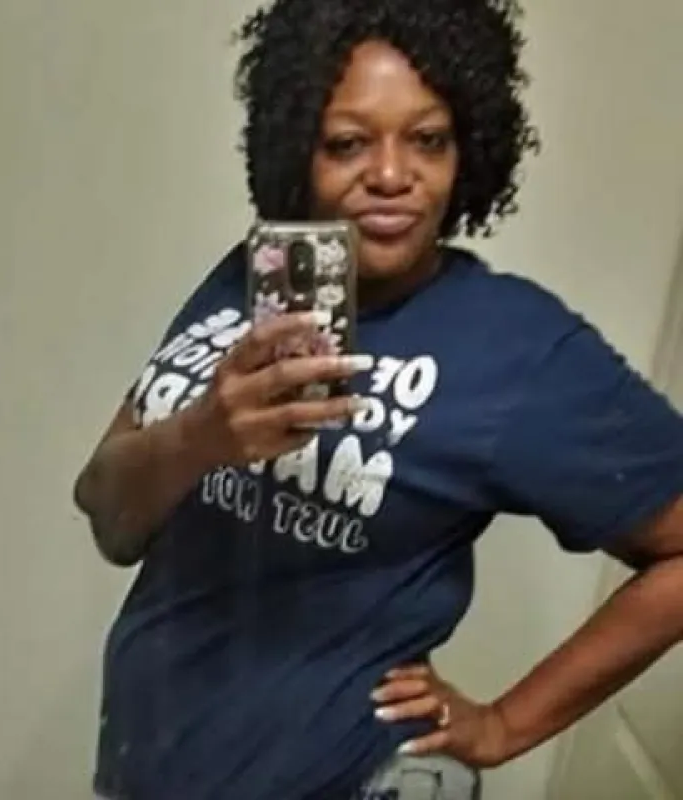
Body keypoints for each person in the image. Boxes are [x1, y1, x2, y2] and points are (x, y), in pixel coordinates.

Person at [73, 0, 683, 797]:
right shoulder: (259, 279)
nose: (393, 176)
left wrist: (505, 724)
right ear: (297, 149)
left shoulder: (513, 344)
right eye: (348, 143)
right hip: (144, 768)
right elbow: (107, 512)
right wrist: (200, 437)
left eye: (428, 139)